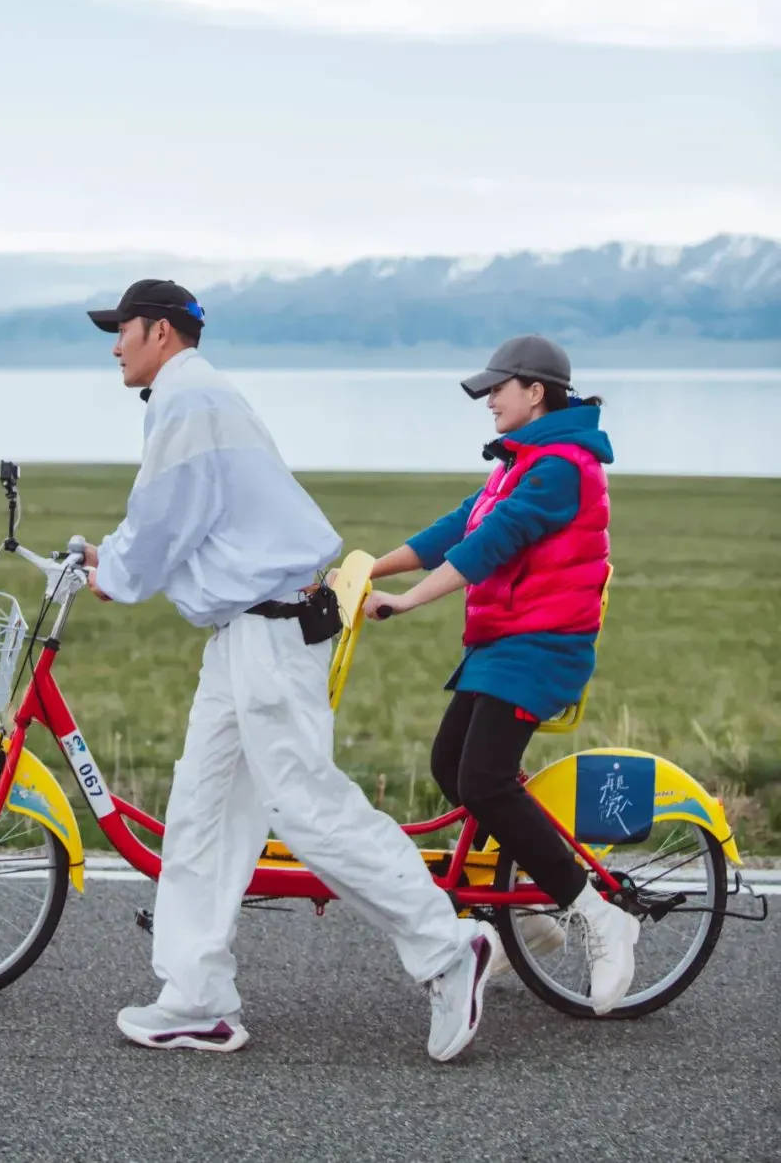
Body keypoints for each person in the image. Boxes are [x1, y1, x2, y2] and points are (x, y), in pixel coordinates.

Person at [81, 278, 497, 1062]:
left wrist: (118, 575)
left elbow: (166, 511)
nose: (115, 344)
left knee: (305, 808)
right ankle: (196, 998)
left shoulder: (189, 399)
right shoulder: (196, 397)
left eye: (123, 329)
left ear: (162, 334)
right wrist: (119, 558)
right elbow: (186, 518)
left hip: (269, 636)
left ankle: (449, 950)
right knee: (203, 810)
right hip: (244, 637)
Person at [363, 334, 639, 1015]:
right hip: (503, 643)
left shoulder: (561, 468)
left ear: (535, 391)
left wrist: (408, 600)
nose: (489, 400)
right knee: (453, 768)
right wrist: (367, 568)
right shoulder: (520, 463)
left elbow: (489, 545)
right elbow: (458, 526)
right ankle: (527, 913)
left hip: (542, 648)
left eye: (498, 388)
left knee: (484, 777)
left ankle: (598, 915)